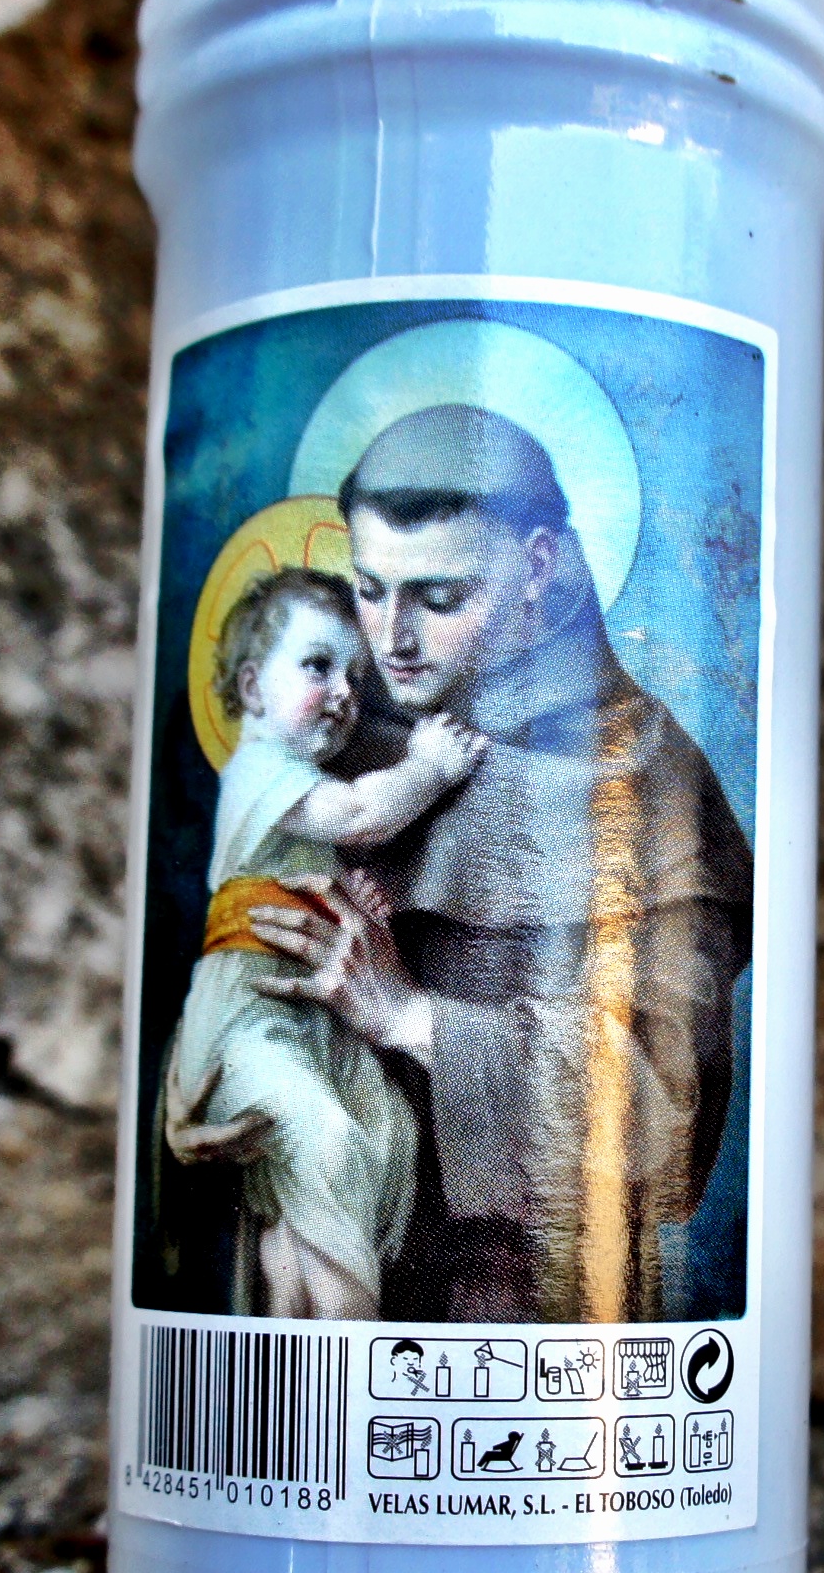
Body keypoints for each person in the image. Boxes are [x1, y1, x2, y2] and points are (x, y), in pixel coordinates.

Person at [238, 404, 754, 1325]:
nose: (392, 638)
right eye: (369, 589)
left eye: (439, 599)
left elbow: (665, 1114)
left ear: (540, 568)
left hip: (525, 1311)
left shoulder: (648, 783)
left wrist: (414, 1020)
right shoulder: (335, 739)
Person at [159, 568, 483, 1318]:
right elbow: (361, 814)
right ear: (251, 688)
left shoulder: (289, 787)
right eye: (317, 666)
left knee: (379, 1137)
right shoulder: (259, 769)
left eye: (355, 677)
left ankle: (296, 1333)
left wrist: (353, 906)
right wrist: (430, 768)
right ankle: (349, 1335)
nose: (344, 693)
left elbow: (310, 879)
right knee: (328, 1144)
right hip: (249, 1017)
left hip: (305, 1016)